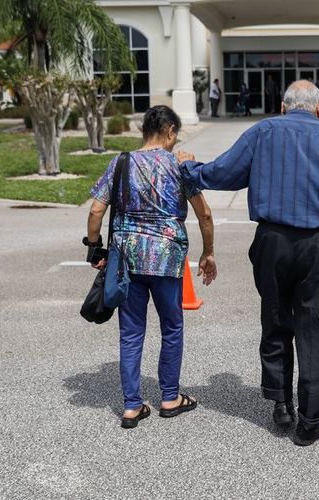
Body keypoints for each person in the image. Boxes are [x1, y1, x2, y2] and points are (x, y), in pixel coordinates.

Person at [178, 81, 319, 446]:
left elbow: (224, 172)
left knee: (276, 317)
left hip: (273, 241)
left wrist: (189, 170)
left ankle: (281, 401)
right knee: (317, 328)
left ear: (283, 107)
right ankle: (312, 420)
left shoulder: (263, 131)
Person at [85, 105, 218, 429]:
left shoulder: (121, 162)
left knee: (131, 332)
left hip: (128, 259)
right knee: (171, 327)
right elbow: (204, 214)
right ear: (170, 131)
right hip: (167, 259)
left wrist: (94, 248)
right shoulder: (179, 166)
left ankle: (132, 406)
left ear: (144, 130)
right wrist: (208, 252)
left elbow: (96, 210)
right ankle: (170, 397)